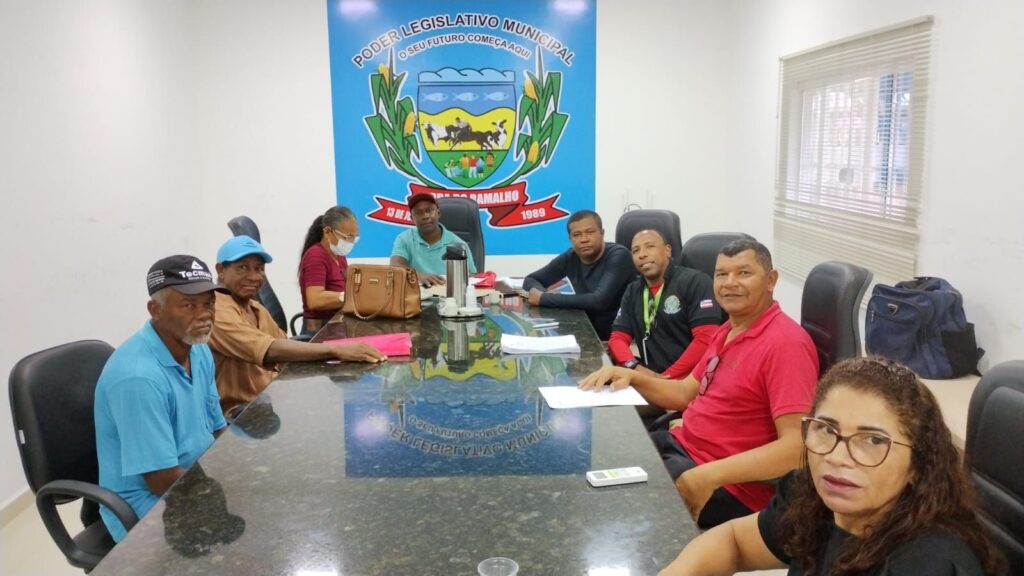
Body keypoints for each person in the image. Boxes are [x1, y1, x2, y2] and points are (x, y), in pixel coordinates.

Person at [659, 356, 1006, 576]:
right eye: (826, 429)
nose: (837, 457)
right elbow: (734, 542)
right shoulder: (812, 498)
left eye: (873, 440)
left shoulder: (926, 564)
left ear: (919, 462)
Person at [580, 239, 819, 529]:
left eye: (743, 273)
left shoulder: (786, 345)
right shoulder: (727, 330)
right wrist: (632, 376)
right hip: (684, 448)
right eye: (721, 274)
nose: (729, 283)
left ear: (771, 280)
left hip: (727, 485)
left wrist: (709, 475)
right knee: (599, 455)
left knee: (608, 504)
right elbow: (684, 394)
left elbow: (797, 447)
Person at [94, 255, 230, 541]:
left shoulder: (197, 347)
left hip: (196, 474)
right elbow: (160, 481)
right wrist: (227, 488)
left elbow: (218, 429)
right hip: (149, 505)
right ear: (155, 310)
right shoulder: (138, 378)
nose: (204, 315)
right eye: (189, 305)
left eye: (209, 303)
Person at [210, 235, 386, 417]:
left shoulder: (254, 307)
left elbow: (284, 346)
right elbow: (270, 350)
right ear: (221, 270)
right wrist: (336, 350)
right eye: (242, 268)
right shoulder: (216, 311)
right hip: (243, 415)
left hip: (273, 396)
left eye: (259, 269)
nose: (254, 276)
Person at [608, 229, 722, 378]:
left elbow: (706, 338)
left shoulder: (696, 281)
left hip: (692, 381)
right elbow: (617, 338)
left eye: (650, 246)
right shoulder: (633, 290)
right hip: (651, 378)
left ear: (667, 250)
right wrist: (634, 367)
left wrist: (665, 379)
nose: (642, 254)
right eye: (635, 250)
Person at [520, 210, 635, 340]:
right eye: (577, 235)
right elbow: (531, 279)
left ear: (602, 233)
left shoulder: (619, 256)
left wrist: (545, 298)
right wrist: (544, 294)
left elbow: (599, 301)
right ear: (570, 239)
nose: (584, 239)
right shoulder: (571, 257)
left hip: (618, 337)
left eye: (590, 232)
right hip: (585, 330)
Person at [390, 192, 476, 287]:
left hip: (448, 294)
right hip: (417, 294)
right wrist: (418, 276)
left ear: (438, 213)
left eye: (429, 210)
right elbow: (395, 266)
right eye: (418, 213)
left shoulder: (458, 244)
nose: (425, 216)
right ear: (412, 218)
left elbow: (472, 277)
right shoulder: (404, 239)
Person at [299, 206, 359, 333]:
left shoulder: (339, 256)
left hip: (337, 324)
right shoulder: (315, 256)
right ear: (327, 232)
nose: (351, 243)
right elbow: (315, 299)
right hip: (319, 331)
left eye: (354, 238)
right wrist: (348, 296)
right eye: (348, 238)